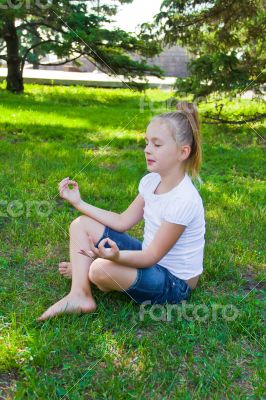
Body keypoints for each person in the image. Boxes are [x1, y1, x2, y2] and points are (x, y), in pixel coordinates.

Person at [37, 101, 206, 321]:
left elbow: (151, 256)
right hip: (149, 259)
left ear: (183, 152)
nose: (147, 149)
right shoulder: (151, 181)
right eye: (146, 143)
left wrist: (116, 257)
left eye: (157, 144)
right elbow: (122, 220)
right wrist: (79, 203)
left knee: (99, 269)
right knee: (81, 224)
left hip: (174, 283)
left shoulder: (184, 199)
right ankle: (80, 294)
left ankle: (89, 273)